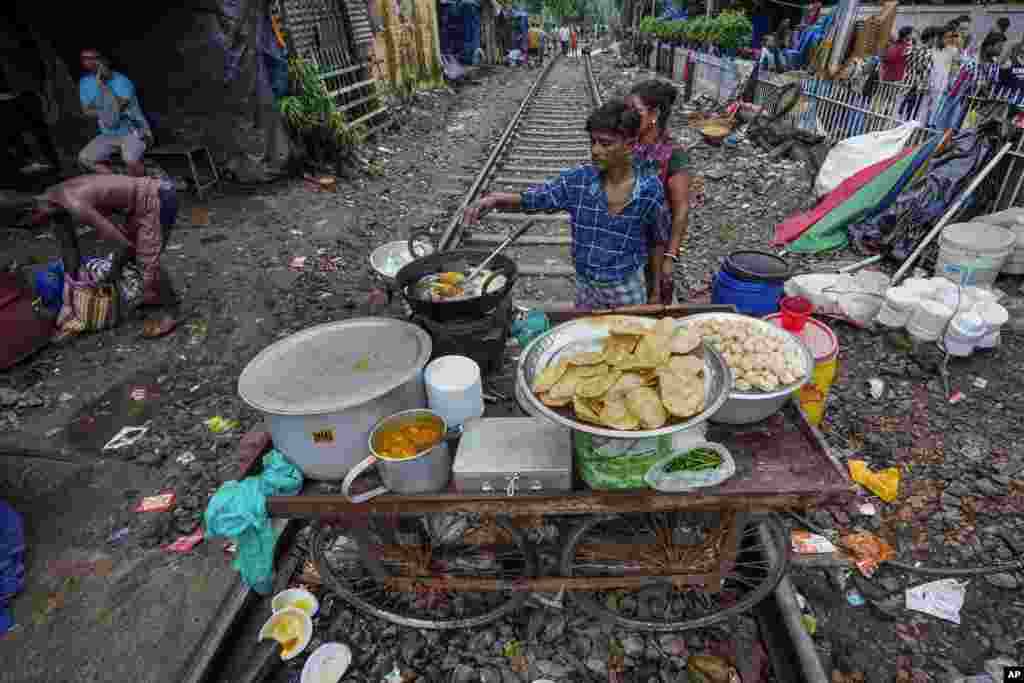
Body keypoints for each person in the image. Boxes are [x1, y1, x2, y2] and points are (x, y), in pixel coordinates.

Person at [463, 100, 669, 309]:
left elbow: (657, 241)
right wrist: (496, 199)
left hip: (627, 287)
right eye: (593, 142)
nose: (596, 150)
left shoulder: (649, 189)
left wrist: (655, 294)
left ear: (630, 145)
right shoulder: (578, 180)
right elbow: (537, 198)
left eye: (605, 143)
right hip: (586, 287)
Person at [28, 174, 178, 336]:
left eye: (37, 223)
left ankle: (173, 312)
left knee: (146, 262)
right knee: (134, 255)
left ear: (32, 211)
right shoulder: (51, 200)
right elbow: (69, 248)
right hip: (137, 206)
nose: (45, 227)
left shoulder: (74, 204)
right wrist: (70, 294)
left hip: (157, 197)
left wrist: (112, 274)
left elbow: (124, 245)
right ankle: (153, 295)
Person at [627, 80, 689, 305]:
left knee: (652, 306)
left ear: (654, 114)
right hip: (624, 246)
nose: (629, 117)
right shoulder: (626, 144)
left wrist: (670, 257)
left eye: (636, 111)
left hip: (655, 249)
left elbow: (681, 209)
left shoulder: (673, 154)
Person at [78, 49, 152, 177]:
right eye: (84, 58)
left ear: (104, 61)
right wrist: (105, 109)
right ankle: (119, 181)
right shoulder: (85, 83)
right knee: (85, 158)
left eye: (93, 58)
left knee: (130, 159)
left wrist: (103, 84)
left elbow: (115, 112)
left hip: (134, 132)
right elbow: (87, 111)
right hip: (108, 135)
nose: (88, 62)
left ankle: (143, 183)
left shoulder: (121, 81)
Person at [0, 27, 61, 176]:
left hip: (25, 93)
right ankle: (27, 163)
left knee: (38, 131)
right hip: (11, 96)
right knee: (13, 134)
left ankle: (48, 164)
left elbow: (38, 64)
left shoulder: (19, 41)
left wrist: (44, 92)